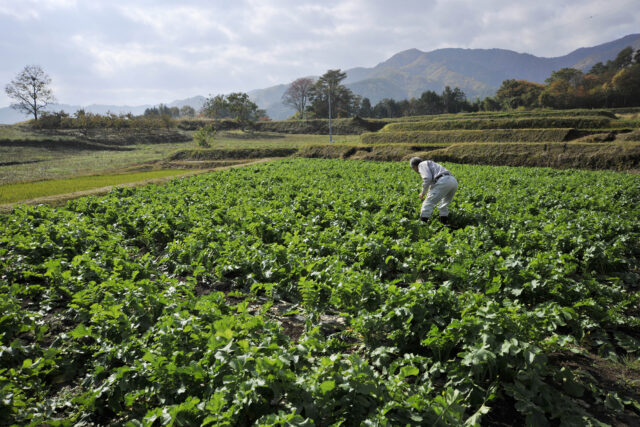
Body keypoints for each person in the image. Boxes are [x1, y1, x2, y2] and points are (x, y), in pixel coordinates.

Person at [409, 157, 458, 225]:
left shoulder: (421, 165)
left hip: (443, 181)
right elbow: (433, 183)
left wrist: (423, 193)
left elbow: (427, 178)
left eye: (413, 169)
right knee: (443, 205)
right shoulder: (430, 164)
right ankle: (444, 225)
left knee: (427, 204)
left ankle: (422, 226)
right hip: (453, 181)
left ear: (414, 166)